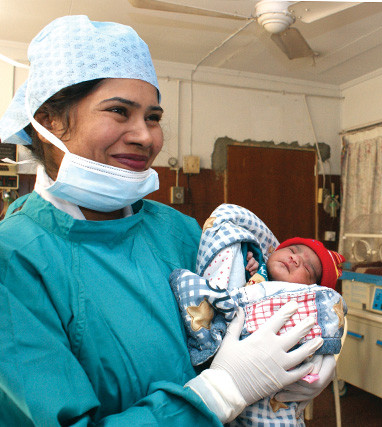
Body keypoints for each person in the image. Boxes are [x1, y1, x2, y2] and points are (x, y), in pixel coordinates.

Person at [0, 16, 335, 426]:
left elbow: (246, 309)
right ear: (49, 118)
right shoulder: (15, 259)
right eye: (119, 111)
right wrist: (222, 390)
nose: (145, 136)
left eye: (153, 117)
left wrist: (300, 363)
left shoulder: (180, 231)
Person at [169, 203, 347, 426]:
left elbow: (324, 316)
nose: (295, 258)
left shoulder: (302, 301)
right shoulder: (254, 268)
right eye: (292, 251)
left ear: (312, 289)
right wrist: (249, 265)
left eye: (307, 269)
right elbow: (235, 291)